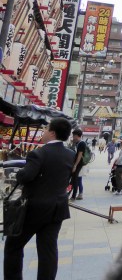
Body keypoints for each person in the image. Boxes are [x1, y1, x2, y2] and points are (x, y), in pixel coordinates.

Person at [4, 118, 75, 280]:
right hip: (58, 208)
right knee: (48, 250)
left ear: (52, 133)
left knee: (13, 246)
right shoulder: (70, 154)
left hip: (34, 209)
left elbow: (26, 177)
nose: (43, 132)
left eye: (46, 129)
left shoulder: (38, 153)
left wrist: (20, 172)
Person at [70, 128, 87, 201]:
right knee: (74, 179)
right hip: (76, 163)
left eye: (73, 135)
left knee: (75, 179)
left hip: (78, 164)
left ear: (77, 136)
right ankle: (72, 195)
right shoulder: (77, 143)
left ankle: (73, 196)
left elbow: (79, 155)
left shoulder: (82, 143)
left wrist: (75, 165)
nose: (73, 137)